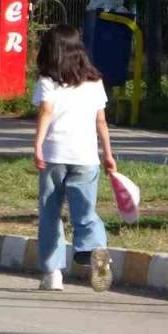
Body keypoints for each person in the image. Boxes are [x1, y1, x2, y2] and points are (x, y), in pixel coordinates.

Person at [32, 24, 116, 292]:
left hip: (55, 156)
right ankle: (95, 248)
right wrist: (108, 154)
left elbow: (46, 111)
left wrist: (37, 145)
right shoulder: (95, 82)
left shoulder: (47, 82)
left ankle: (53, 273)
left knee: (50, 213)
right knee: (85, 211)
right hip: (86, 157)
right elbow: (101, 121)